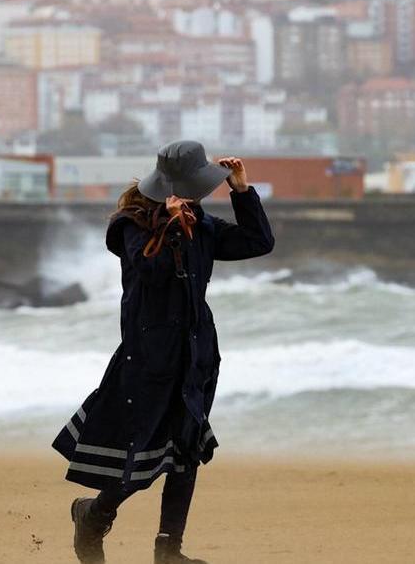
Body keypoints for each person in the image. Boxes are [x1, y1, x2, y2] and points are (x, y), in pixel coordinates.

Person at [51, 140, 274, 563]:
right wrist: (171, 226)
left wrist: (242, 192)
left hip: (197, 354)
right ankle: (92, 516)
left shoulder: (203, 225)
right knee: (144, 457)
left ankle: (169, 551)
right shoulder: (130, 226)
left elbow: (258, 242)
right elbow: (151, 273)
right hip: (148, 359)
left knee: (186, 451)